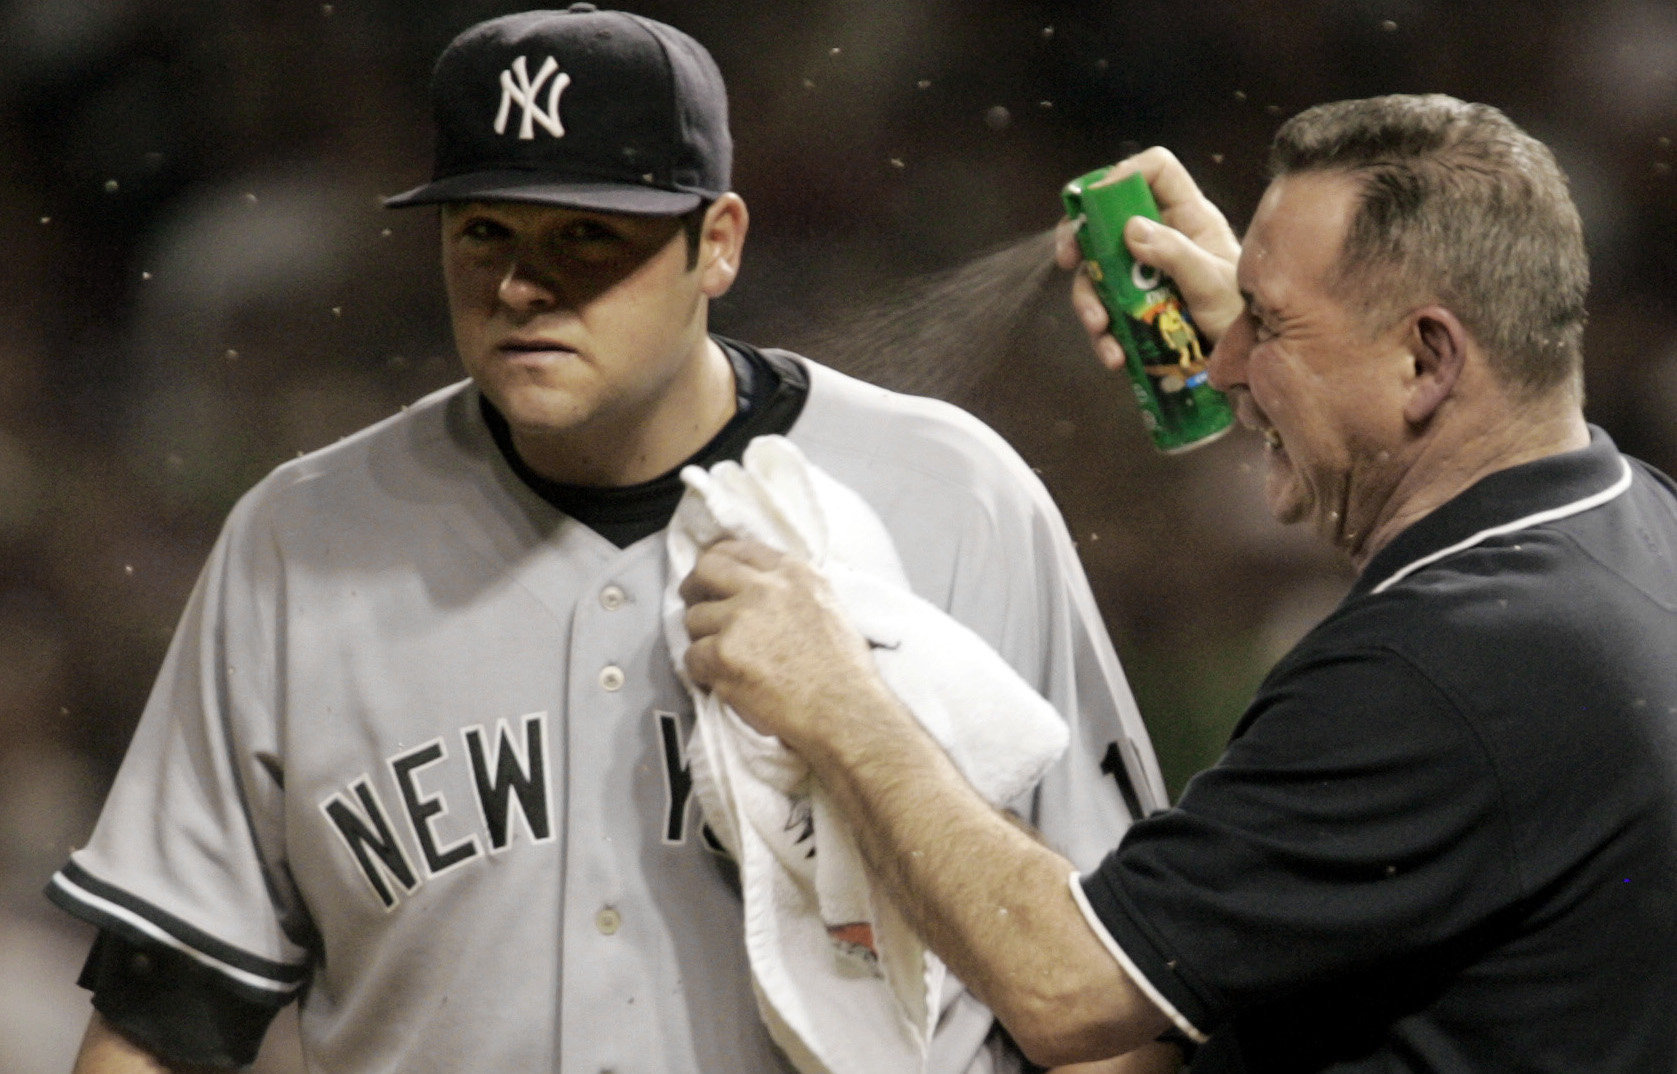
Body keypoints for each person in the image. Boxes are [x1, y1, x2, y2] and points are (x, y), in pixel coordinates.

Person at [45, 6, 1168, 1073]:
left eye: (588, 235)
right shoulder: (300, 539)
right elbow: (163, 1011)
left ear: (717, 242)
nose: (523, 284)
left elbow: (1121, 992)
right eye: (485, 230)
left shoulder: (953, 497)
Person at [678, 94, 1677, 1071]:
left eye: (1267, 326)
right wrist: (1293, 321)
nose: (1227, 360)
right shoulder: (1637, 521)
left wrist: (839, 698)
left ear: (1423, 356)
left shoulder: (1436, 673)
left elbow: (1067, 990)